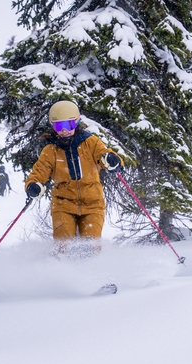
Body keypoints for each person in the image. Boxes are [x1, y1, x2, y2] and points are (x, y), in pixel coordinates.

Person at [24, 100, 122, 253]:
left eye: (68, 125)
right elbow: (39, 171)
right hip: (63, 205)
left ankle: (89, 274)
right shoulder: (51, 150)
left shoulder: (90, 142)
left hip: (93, 204)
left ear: (76, 123)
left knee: (91, 247)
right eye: (58, 126)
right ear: (52, 126)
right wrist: (34, 184)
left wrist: (111, 159)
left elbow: (104, 153)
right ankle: (62, 273)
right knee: (64, 245)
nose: (64, 130)